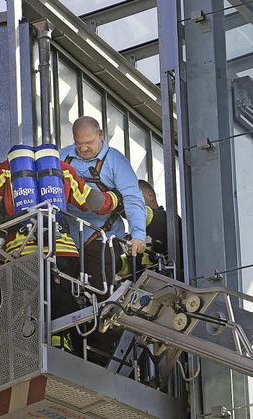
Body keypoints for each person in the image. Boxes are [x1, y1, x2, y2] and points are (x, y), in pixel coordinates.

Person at [0, 154, 121, 354]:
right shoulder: (62, 170)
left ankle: (30, 344)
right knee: (61, 295)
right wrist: (117, 197)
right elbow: (95, 202)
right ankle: (64, 344)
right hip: (61, 249)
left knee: (24, 299)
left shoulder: (6, 169)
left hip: (20, 252)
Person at [60, 115, 146, 364]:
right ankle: (74, 346)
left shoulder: (115, 161)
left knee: (100, 294)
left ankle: (102, 351)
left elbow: (132, 197)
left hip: (101, 237)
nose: (84, 148)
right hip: (67, 238)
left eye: (89, 142)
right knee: (64, 296)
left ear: (100, 136)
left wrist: (138, 234)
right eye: (79, 144)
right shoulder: (62, 157)